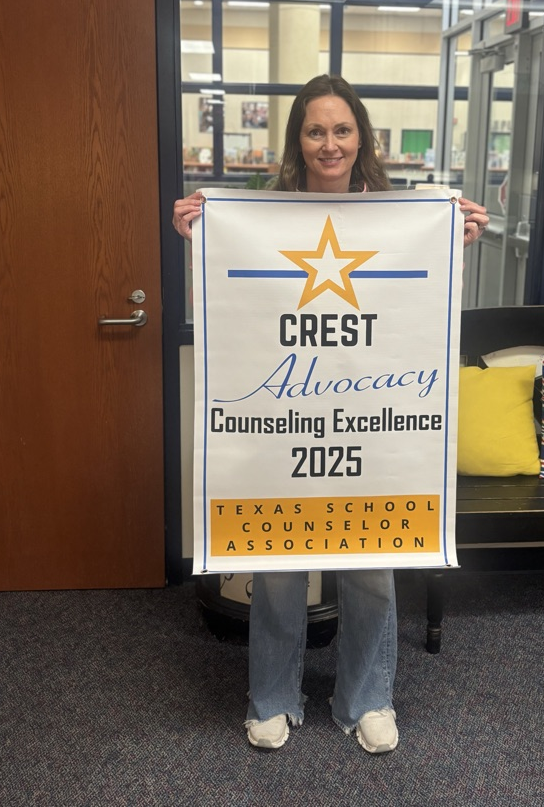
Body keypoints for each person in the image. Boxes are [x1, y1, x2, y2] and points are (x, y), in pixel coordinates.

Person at [173, 74, 488, 754]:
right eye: (315, 130)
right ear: (298, 140)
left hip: (371, 432)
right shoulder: (262, 213)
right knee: (278, 562)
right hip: (288, 431)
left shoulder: (400, 217)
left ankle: (367, 698)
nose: (329, 144)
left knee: (372, 563)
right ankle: (272, 697)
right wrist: (196, 237)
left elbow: (418, 303)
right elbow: (233, 298)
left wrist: (452, 242)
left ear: (361, 137)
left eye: (342, 130)